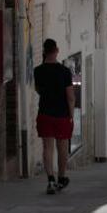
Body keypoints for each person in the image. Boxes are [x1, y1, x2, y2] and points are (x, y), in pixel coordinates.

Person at [34, 39, 75, 195]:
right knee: (62, 147)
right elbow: (70, 96)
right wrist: (71, 115)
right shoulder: (64, 71)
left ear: (44, 51)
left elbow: (38, 90)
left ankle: (50, 179)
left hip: (44, 113)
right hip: (62, 114)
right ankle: (61, 177)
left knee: (47, 147)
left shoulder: (38, 71)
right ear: (56, 50)